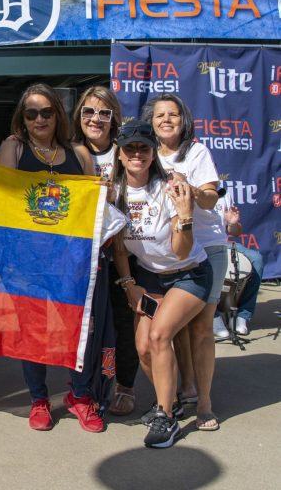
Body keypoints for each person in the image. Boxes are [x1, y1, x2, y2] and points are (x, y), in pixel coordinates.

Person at [0, 83, 104, 433]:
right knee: (33, 333)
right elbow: (0, 201)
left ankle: (81, 395)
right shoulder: (13, 148)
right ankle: (39, 399)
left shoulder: (80, 153)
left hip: (71, 260)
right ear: (22, 119)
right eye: (31, 113)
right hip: (27, 260)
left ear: (58, 114)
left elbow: (94, 211)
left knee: (79, 328)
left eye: (46, 112)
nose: (39, 119)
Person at [111, 120, 212, 449]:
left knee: (158, 335)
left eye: (144, 147)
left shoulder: (169, 187)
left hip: (189, 273)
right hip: (150, 278)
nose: (137, 153)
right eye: (131, 148)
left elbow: (180, 250)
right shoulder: (115, 191)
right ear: (120, 154)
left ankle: (165, 417)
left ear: (154, 153)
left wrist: (184, 217)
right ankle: (169, 401)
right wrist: (128, 284)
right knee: (143, 348)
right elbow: (119, 246)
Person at [142, 94, 222, 432]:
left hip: (208, 244)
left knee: (201, 328)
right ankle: (181, 391)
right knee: (171, 331)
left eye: (173, 114)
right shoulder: (146, 153)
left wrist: (189, 188)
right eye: (160, 115)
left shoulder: (196, 152)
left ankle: (204, 404)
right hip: (169, 250)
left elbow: (210, 197)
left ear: (183, 119)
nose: (166, 120)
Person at [71, 87, 138, 417]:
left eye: (103, 113)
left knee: (124, 324)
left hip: (127, 252)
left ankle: (121, 385)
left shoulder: (128, 152)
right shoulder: (69, 152)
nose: (95, 119)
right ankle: (86, 389)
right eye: (88, 112)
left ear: (114, 118)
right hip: (84, 255)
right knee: (87, 326)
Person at [214, 204, 263, 338]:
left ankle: (242, 315)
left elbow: (235, 232)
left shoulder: (224, 195)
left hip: (224, 244)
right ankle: (213, 316)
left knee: (256, 259)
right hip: (201, 246)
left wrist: (233, 223)